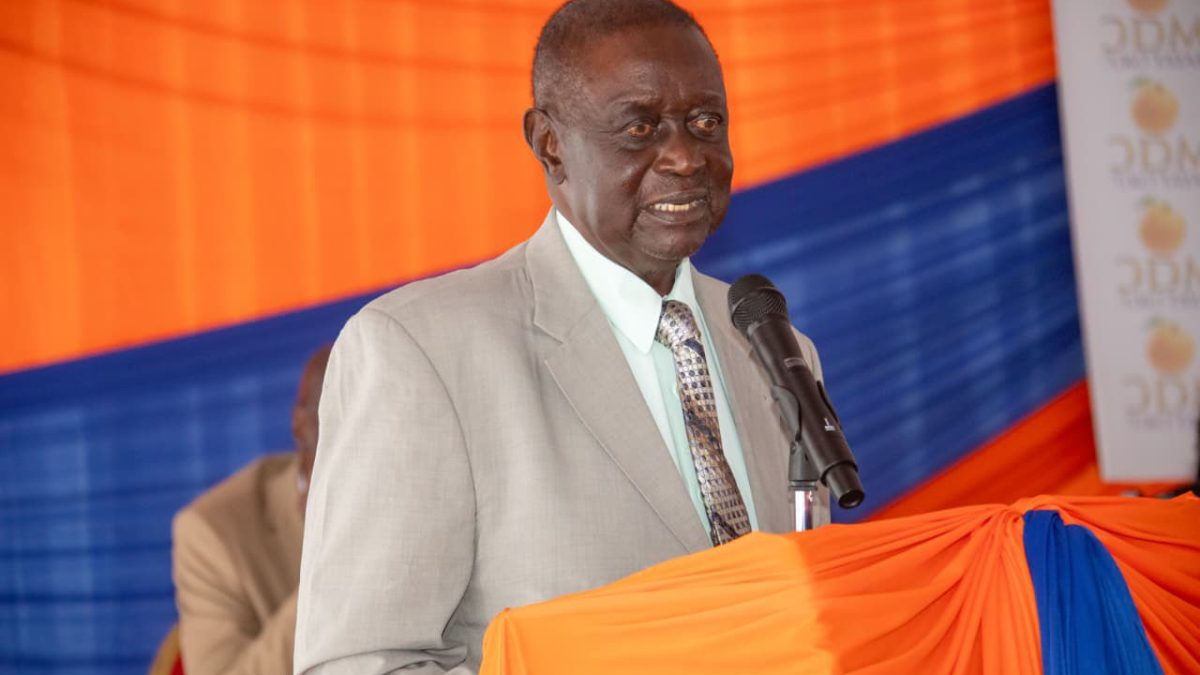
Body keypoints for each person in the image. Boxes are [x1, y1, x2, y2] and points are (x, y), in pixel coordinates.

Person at [294, 1, 826, 673]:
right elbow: (361, 662)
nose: (686, 157)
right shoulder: (418, 351)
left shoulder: (777, 348)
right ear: (550, 143)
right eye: (640, 127)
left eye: (705, 122)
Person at [171, 345, 331, 675]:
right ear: (300, 425)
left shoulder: (422, 494)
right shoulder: (211, 530)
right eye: (339, 417)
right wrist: (335, 561)